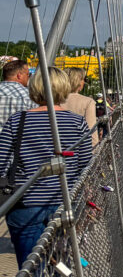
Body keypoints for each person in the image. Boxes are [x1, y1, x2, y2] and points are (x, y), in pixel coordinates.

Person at [0, 67, 92, 268]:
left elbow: (1, 164)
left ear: (34, 88)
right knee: (61, 261)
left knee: (31, 266)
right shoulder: (77, 123)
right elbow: (85, 165)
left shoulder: (17, 121)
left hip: (25, 204)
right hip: (65, 203)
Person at [62, 67, 98, 146]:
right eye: (82, 79)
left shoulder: (55, 100)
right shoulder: (88, 102)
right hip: (79, 151)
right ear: (77, 81)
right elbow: (91, 133)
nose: (84, 82)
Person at [0, 60, 36, 134]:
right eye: (28, 74)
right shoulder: (30, 96)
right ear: (19, 75)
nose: (28, 77)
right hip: (15, 143)